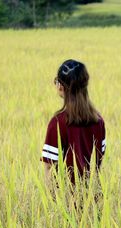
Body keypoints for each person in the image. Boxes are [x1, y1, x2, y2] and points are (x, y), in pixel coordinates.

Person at [40, 59, 106, 192]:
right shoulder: (98, 121)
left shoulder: (58, 123)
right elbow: (99, 160)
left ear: (60, 86)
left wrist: (51, 203)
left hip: (66, 199)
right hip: (93, 196)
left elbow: (49, 167)